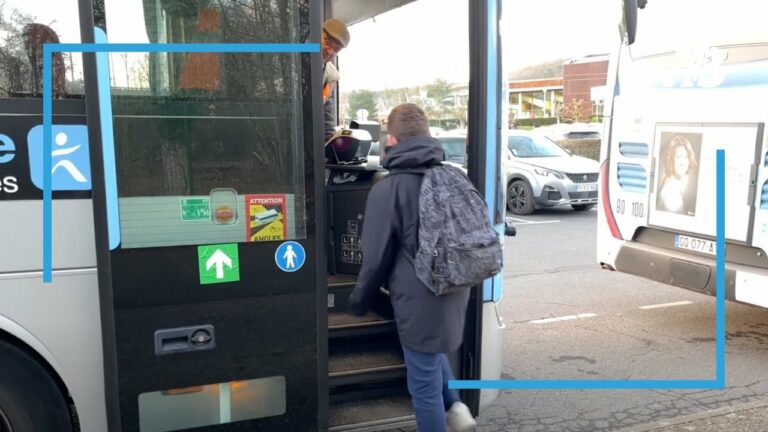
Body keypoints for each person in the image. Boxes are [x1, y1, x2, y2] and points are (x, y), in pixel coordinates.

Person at [348, 104, 477, 432]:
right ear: (427, 133)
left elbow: (374, 259)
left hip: (419, 298)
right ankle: (458, 408)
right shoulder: (454, 177)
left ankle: (450, 411)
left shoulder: (386, 190)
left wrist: (359, 301)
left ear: (391, 139)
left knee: (422, 383)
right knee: (433, 352)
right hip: (457, 286)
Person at [321, 18, 350, 141]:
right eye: (327, 42)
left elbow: (324, 106)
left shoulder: (330, 76)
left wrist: (329, 142)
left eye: (336, 49)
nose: (330, 51)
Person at [657, 135, 698, 215]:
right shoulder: (672, 190)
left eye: (686, 156)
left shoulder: (674, 182)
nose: (683, 162)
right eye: (678, 157)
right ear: (671, 160)